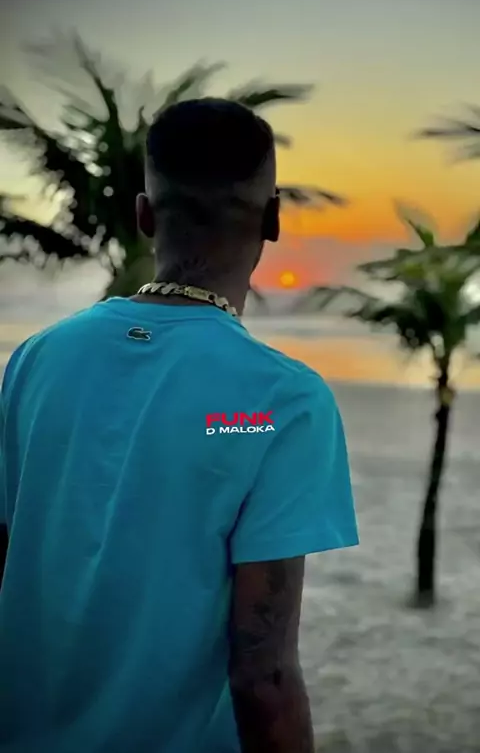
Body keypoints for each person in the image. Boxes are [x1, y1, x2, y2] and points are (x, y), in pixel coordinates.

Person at [0, 98, 359, 753]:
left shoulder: (37, 360)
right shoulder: (281, 401)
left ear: (144, 214)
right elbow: (263, 676)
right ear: (274, 218)